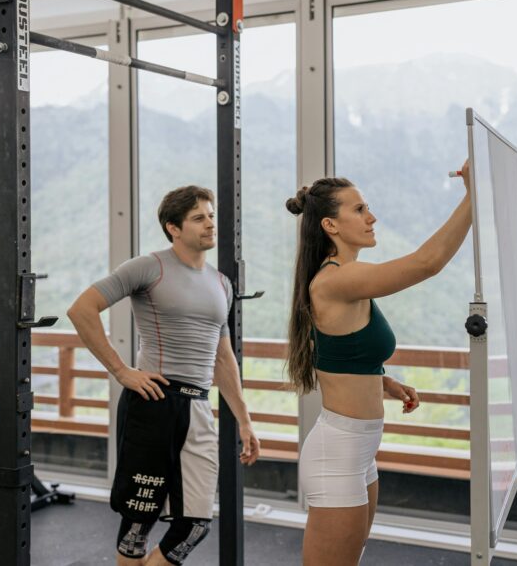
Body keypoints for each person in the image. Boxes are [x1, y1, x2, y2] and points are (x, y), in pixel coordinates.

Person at [285, 162, 473, 566]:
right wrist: (473, 198)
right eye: (359, 210)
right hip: (338, 454)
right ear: (331, 225)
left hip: (359, 453)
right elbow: (427, 263)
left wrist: (383, 381)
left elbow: (341, 351)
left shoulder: (347, 278)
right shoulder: (336, 280)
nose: (371, 218)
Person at [68, 185, 260, 566]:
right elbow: (82, 309)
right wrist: (122, 371)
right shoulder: (148, 267)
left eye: (210, 215)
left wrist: (244, 419)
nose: (210, 224)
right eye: (198, 218)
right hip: (154, 401)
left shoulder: (222, 283)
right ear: (174, 228)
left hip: (198, 406)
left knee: (195, 525)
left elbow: (223, 358)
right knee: (138, 524)